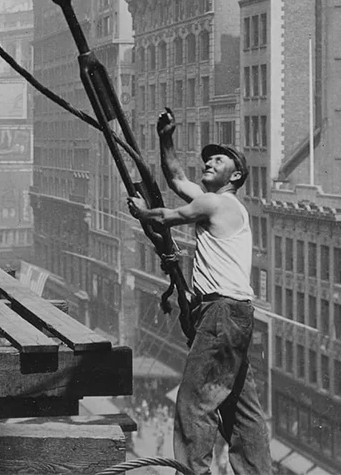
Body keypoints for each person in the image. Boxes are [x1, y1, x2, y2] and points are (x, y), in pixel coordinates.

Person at [126, 109, 271, 475]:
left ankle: (192, 472)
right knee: (241, 408)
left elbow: (167, 217)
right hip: (235, 315)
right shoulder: (220, 203)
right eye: (208, 159)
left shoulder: (216, 202)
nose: (209, 162)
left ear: (235, 176)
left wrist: (143, 213)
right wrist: (166, 139)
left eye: (218, 160)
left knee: (194, 403)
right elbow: (176, 177)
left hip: (220, 313)